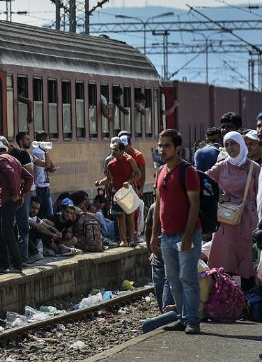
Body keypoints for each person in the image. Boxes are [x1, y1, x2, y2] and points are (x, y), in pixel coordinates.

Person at [150, 129, 202, 335]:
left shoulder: (187, 171)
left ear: (177, 148)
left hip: (185, 234)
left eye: (166, 146)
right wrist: (155, 234)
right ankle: (181, 317)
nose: (162, 149)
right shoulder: (161, 171)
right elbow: (157, 204)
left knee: (187, 278)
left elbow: (194, 204)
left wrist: (188, 235)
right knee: (172, 279)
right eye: (160, 145)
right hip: (166, 235)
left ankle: (193, 320)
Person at [206, 131, 260, 293]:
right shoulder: (221, 166)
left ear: (241, 144)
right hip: (226, 221)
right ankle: (227, 302)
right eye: (227, 144)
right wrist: (218, 197)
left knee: (248, 265)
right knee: (224, 263)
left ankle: (248, 303)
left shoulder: (254, 168)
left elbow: (260, 195)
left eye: (233, 143)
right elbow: (203, 181)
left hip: (249, 222)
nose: (230, 148)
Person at [0, 140, 33, 272]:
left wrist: (16, 193)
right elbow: (29, 178)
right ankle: (4, 264)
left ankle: (16, 264)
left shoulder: (0, 159)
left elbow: (10, 174)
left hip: (6, 200)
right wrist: (23, 192)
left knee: (7, 232)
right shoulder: (15, 160)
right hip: (11, 201)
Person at [104, 136, 141, 247]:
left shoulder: (129, 160)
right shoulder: (110, 164)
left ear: (121, 150)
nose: (113, 152)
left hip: (128, 192)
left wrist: (128, 181)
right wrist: (101, 183)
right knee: (120, 217)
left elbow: (138, 174)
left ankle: (132, 239)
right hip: (117, 193)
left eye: (115, 150)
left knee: (129, 216)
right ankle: (124, 240)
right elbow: (109, 179)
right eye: (112, 150)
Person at [10, 132, 34, 262]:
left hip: (23, 192)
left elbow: (29, 174)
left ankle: (22, 256)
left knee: (23, 224)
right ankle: (11, 255)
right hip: (7, 194)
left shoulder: (22, 154)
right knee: (7, 225)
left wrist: (15, 182)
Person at [32, 131, 56, 219]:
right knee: (47, 211)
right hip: (40, 185)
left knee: (42, 210)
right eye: (47, 140)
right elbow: (50, 166)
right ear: (43, 140)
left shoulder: (38, 151)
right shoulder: (39, 152)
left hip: (43, 184)